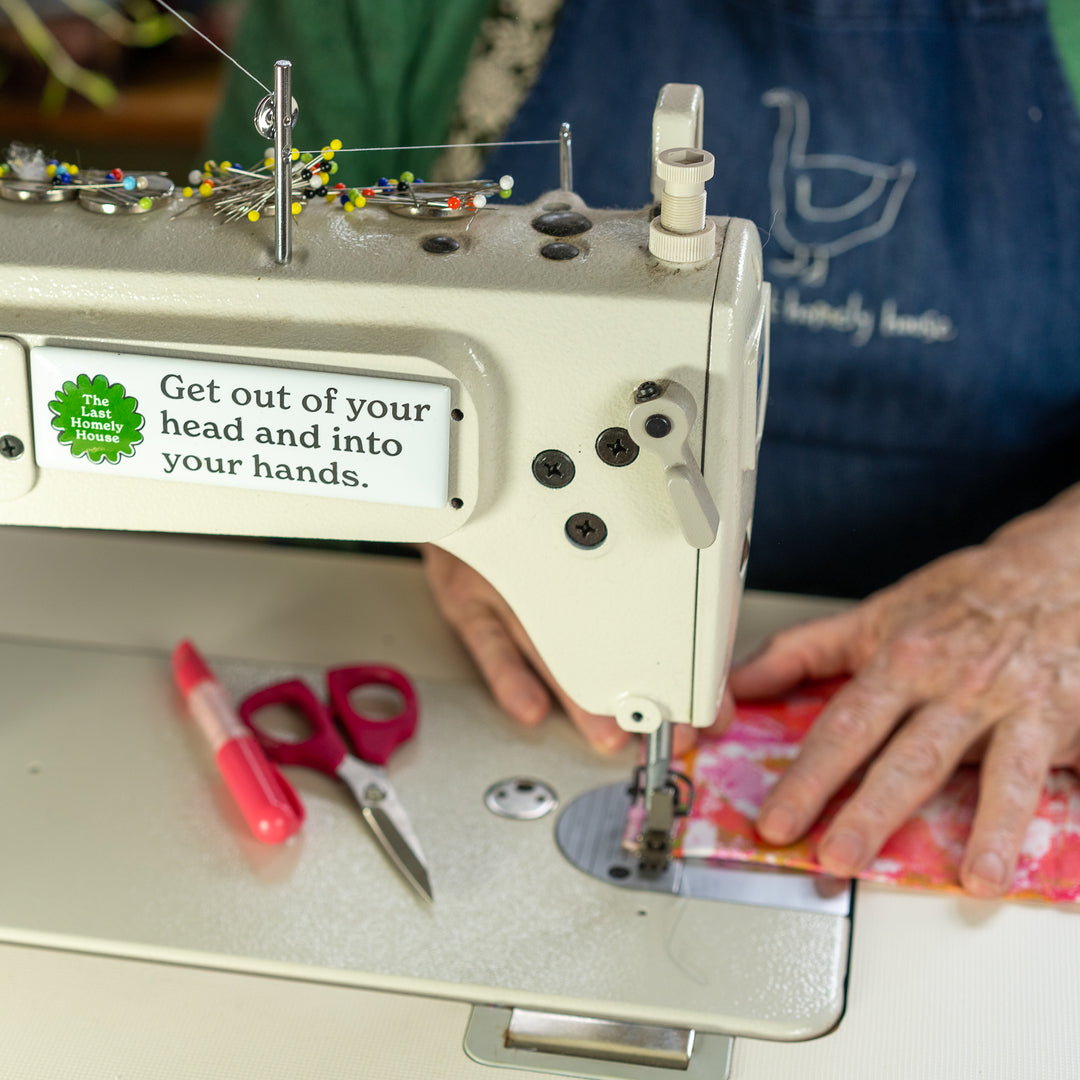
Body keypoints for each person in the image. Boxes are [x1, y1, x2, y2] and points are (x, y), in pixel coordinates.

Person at [212, 0, 1080, 898]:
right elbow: (247, 333)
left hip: (994, 687)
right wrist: (423, 466)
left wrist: (1065, 572)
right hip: (446, 650)